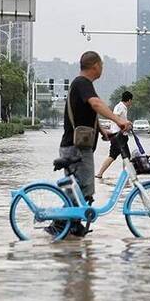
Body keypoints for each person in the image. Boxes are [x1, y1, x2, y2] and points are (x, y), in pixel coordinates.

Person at [56, 51, 132, 237]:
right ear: (95, 66)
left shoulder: (81, 84)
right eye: (102, 66)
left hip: (76, 146)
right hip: (77, 148)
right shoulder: (82, 83)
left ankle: (71, 228)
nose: (102, 69)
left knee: (80, 188)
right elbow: (96, 104)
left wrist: (101, 130)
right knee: (84, 188)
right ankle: (60, 225)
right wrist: (118, 120)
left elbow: (88, 111)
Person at [95, 90, 133, 179]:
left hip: (120, 135)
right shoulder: (120, 107)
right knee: (119, 156)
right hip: (118, 136)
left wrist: (126, 124)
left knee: (120, 156)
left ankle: (124, 174)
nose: (131, 103)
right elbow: (115, 116)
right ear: (129, 100)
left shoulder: (122, 107)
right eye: (131, 101)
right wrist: (126, 122)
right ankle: (125, 175)